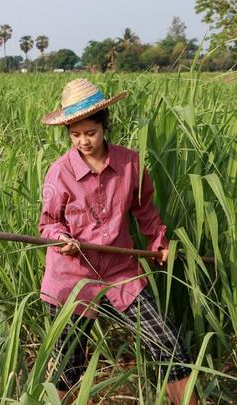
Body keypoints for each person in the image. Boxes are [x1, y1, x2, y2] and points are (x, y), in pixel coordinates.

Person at [38, 78, 197, 404]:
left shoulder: (130, 164)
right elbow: (49, 224)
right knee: (70, 365)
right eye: (75, 134)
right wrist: (62, 238)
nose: (83, 141)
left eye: (90, 132)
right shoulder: (59, 172)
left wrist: (159, 245)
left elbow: (146, 212)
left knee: (168, 343)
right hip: (72, 277)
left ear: (105, 126)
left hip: (120, 272)